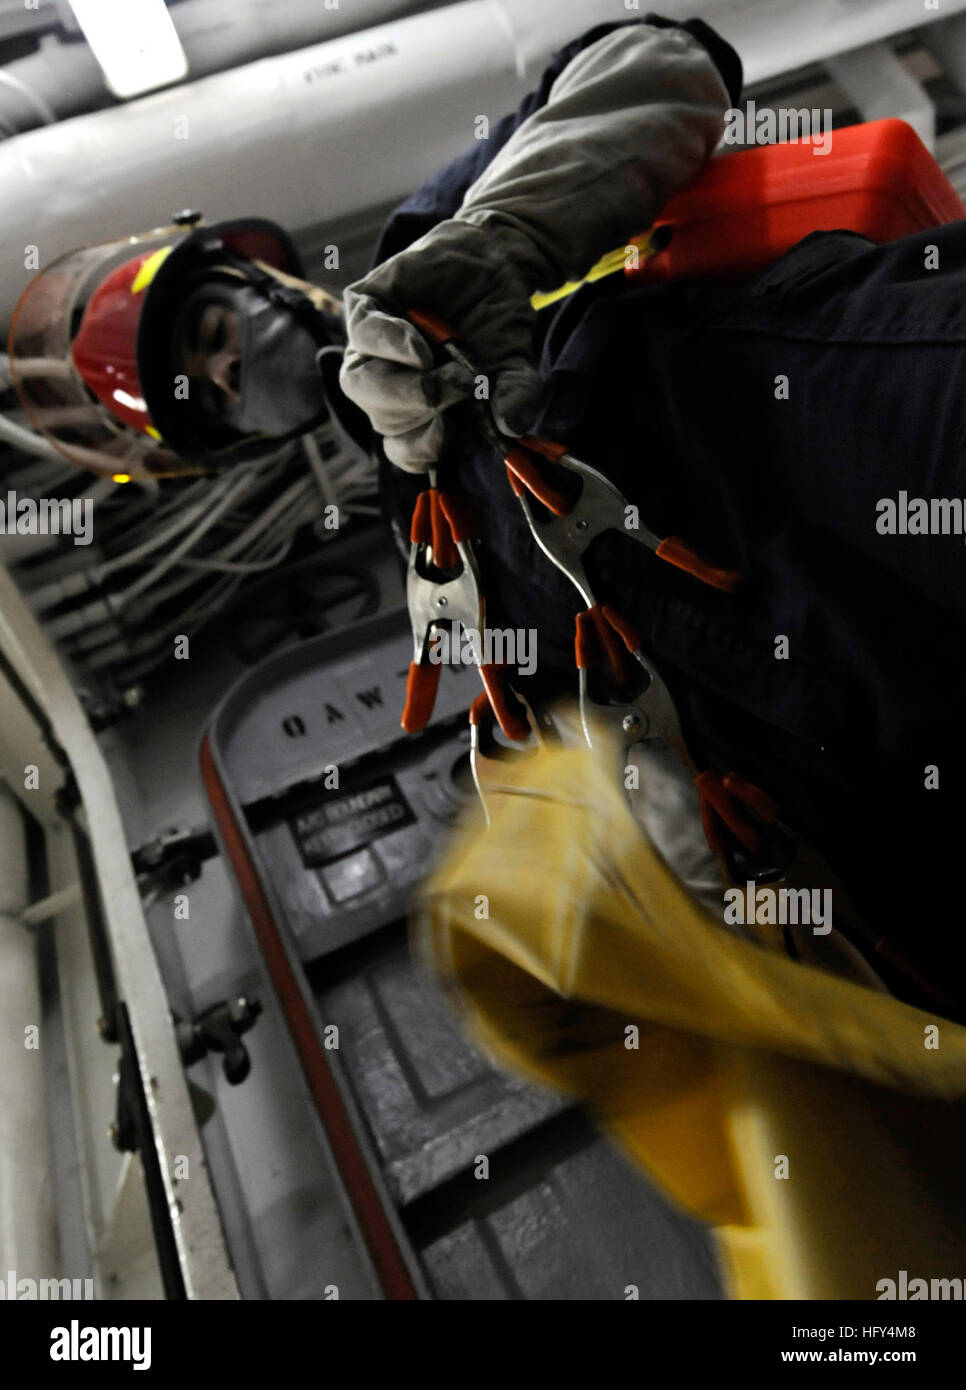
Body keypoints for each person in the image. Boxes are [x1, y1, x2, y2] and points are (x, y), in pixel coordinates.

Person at [10, 14, 965, 1018]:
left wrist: (497, 236)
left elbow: (668, 56)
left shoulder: (438, 227)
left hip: (847, 412)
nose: (227, 366)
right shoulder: (440, 571)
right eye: (211, 394)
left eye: (209, 330)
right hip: (874, 719)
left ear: (261, 275)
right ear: (241, 439)